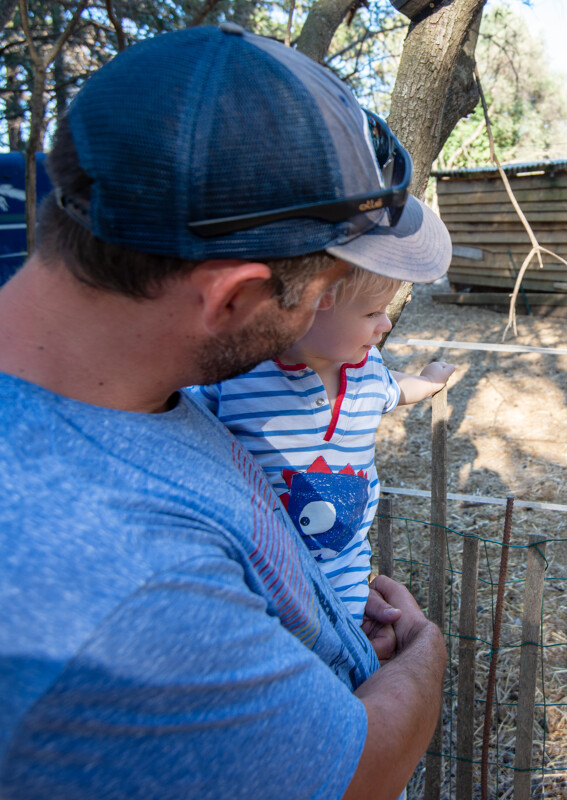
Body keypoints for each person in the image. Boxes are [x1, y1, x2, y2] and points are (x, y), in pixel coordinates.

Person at [0, 23, 449, 799]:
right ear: (235, 297)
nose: (324, 314)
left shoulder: (132, 387)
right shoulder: (133, 585)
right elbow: (357, 773)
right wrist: (425, 658)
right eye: (317, 292)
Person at [189, 265, 455, 622]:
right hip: (258, 568)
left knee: (342, 644)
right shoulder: (238, 373)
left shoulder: (369, 367)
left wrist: (428, 381)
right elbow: (181, 415)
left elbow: (392, 388)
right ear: (307, 309)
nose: (386, 323)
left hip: (344, 567)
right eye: (372, 312)